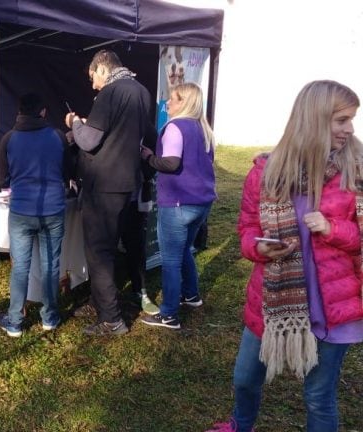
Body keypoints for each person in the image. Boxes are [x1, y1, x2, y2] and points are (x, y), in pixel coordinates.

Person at [207, 80, 363, 432]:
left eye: (351, 119)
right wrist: (256, 248)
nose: (350, 129)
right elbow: (247, 227)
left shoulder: (357, 171)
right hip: (272, 300)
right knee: (245, 378)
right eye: (341, 120)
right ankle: (240, 425)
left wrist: (333, 229)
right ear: (314, 119)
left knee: (319, 396)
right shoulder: (267, 172)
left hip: (332, 307)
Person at [64, 49, 154, 337]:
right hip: (127, 182)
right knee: (110, 247)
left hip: (103, 185)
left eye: (93, 78)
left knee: (99, 253)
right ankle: (99, 302)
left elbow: (89, 141)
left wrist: (75, 124)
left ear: (102, 69)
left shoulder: (110, 92)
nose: (93, 85)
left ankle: (112, 319)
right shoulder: (140, 90)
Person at [138, 82, 216, 330]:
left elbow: (171, 163)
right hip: (202, 203)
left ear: (184, 102)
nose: (167, 104)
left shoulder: (174, 127)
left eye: (172, 99)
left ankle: (169, 313)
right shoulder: (203, 129)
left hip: (178, 203)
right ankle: (191, 295)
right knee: (184, 251)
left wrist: (149, 157)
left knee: (170, 259)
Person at [0, 93, 70, 337]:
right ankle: (50, 316)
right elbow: (69, 170)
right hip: (53, 209)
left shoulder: (9, 138)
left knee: (20, 267)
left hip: (21, 211)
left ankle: (15, 320)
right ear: (43, 112)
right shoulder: (58, 136)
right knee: (51, 265)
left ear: (19, 111)